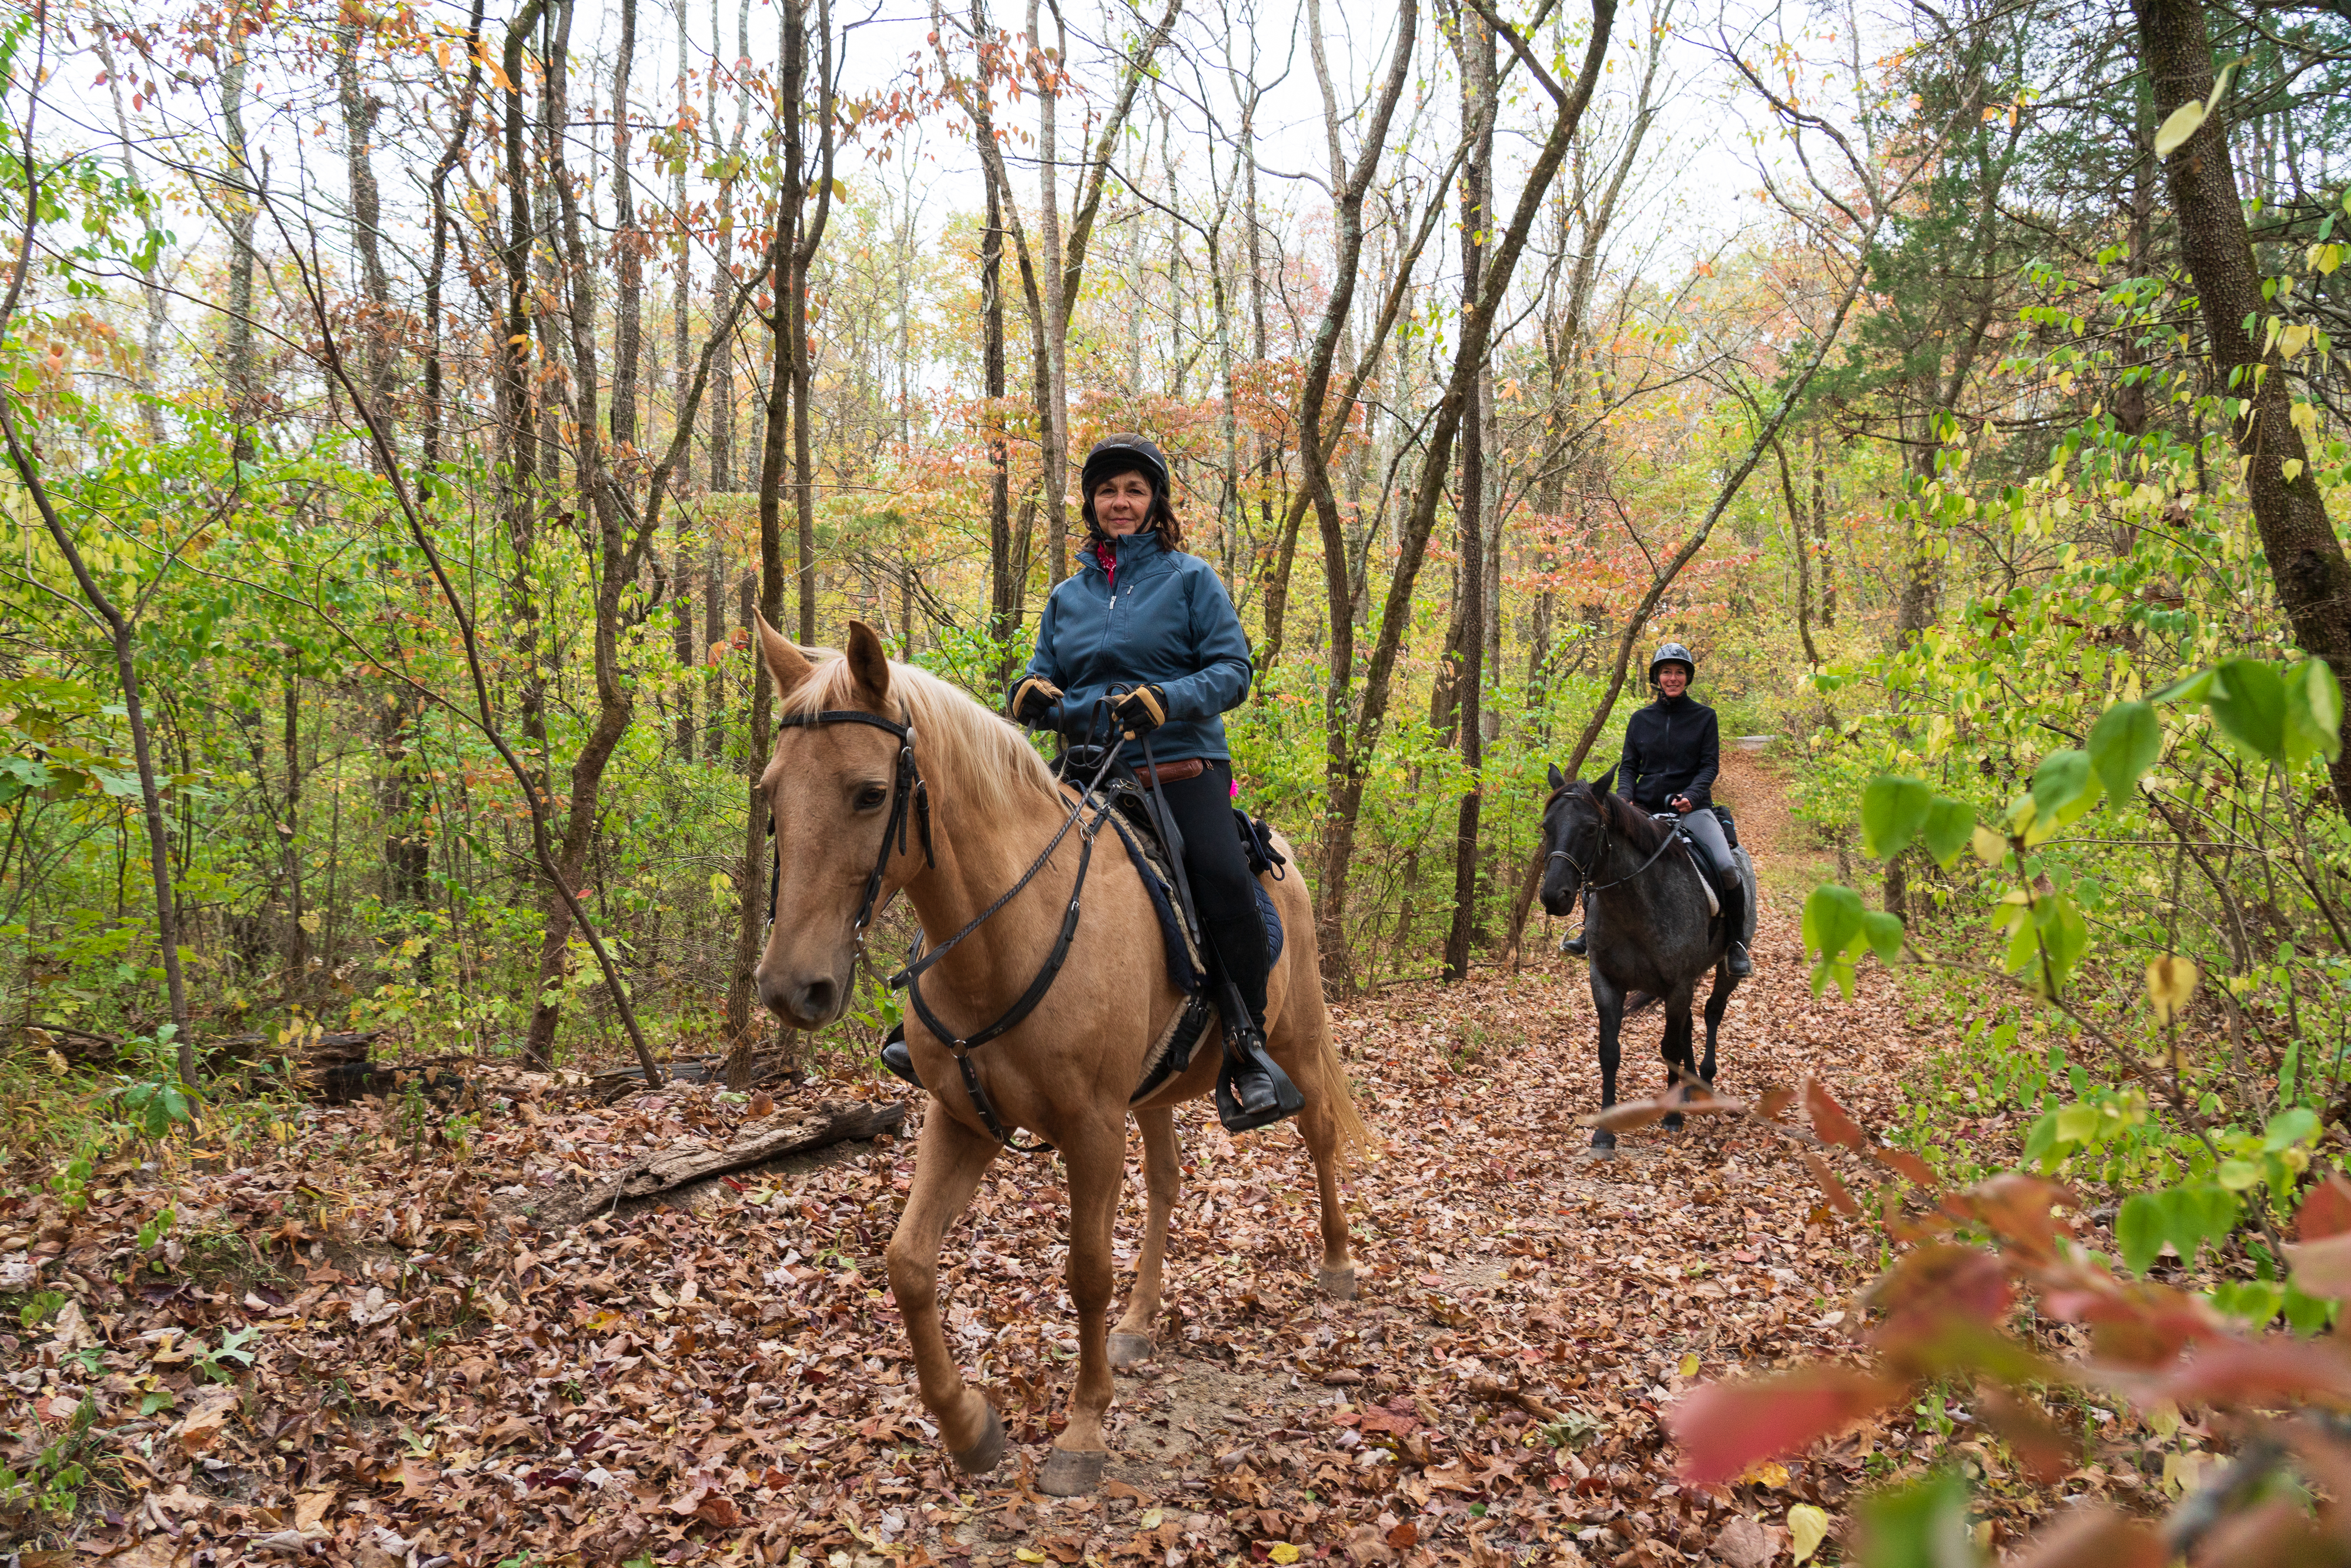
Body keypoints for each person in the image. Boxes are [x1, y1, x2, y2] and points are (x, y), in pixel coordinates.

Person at [1006, 434, 1300, 1133]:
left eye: (1135, 490)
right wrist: (1026, 691)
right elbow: (1042, 671)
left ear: (1155, 501)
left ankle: (1246, 1047)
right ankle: (938, 1027)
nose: (1121, 502)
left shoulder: (1190, 579)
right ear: (1092, 503)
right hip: (1085, 772)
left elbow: (1233, 672)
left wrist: (1166, 698)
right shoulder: (1067, 596)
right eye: (1109, 491)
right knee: (986, 851)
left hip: (1178, 765)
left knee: (1225, 884)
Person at [1560, 642, 1752, 977]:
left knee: (1725, 867)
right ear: (1657, 677)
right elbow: (1630, 766)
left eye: (1679, 672)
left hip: (1693, 811)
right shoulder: (1640, 720)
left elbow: (1709, 766)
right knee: (1603, 856)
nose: (1673, 678)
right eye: (1667, 672)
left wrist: (1692, 795)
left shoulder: (1705, 718)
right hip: (1644, 810)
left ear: (1687, 678)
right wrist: (1625, 799)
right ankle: (1589, 934)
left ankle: (1734, 944)